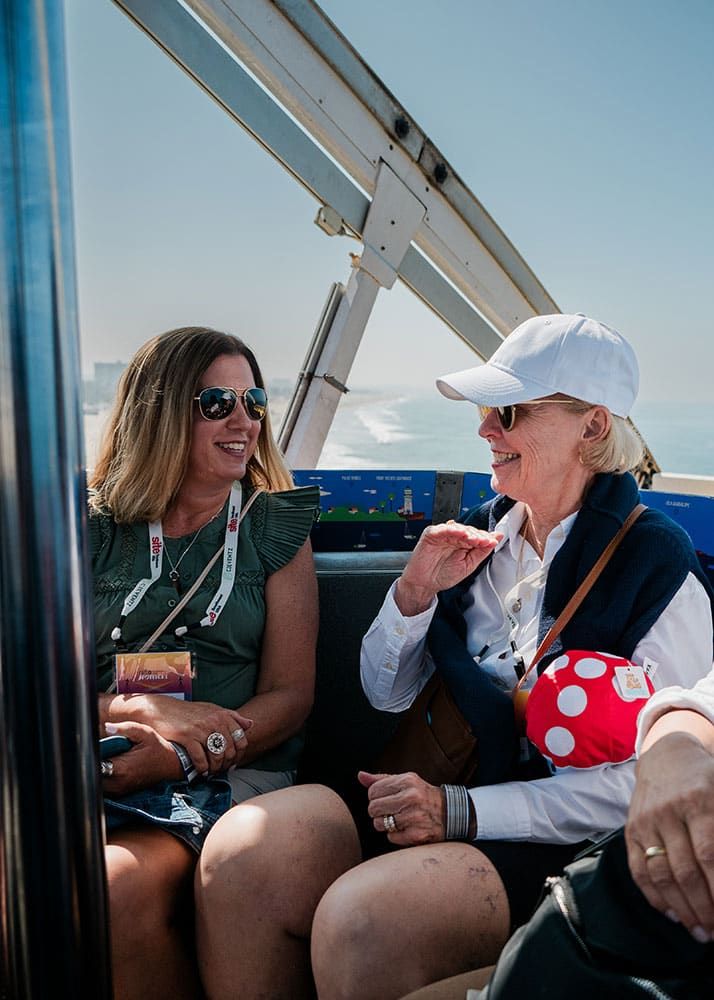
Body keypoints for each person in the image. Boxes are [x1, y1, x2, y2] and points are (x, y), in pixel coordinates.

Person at [305, 312, 714, 999]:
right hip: (443, 793)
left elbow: (645, 786)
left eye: (510, 411)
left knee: (365, 923)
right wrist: (414, 592)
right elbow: (387, 694)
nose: (486, 429)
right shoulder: (480, 538)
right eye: (485, 410)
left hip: (570, 845)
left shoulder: (657, 566)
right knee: (261, 858)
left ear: (593, 427)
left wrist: (463, 811)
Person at [89, 326, 319, 1000]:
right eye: (217, 403)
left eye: (255, 402)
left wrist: (184, 756)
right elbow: (35, 686)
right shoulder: (87, 530)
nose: (243, 421)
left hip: (233, 768)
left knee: (114, 887)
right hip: (100, 756)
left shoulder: (275, 528)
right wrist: (136, 709)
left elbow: (290, 696)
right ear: (160, 413)